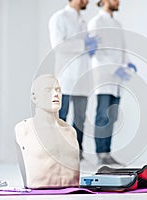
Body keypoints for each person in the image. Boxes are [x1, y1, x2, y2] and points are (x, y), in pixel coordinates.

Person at [88, 0, 136, 165]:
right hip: (103, 74)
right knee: (102, 115)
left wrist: (127, 63)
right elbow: (97, 51)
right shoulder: (96, 22)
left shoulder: (117, 23)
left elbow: (122, 48)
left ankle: (107, 152)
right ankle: (101, 153)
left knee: (112, 115)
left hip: (118, 76)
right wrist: (114, 67)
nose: (118, 2)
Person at [48, 0, 97, 160]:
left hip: (82, 77)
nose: (87, 1)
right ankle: (59, 152)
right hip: (66, 77)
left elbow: (86, 50)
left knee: (80, 119)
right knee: (61, 116)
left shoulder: (83, 21)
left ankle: (77, 153)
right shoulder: (59, 18)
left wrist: (91, 48)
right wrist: (84, 44)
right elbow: (58, 45)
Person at [15, 74, 80, 189]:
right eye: (48, 90)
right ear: (35, 98)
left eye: (58, 90)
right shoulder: (24, 129)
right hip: (40, 194)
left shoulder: (70, 131)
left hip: (73, 194)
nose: (55, 94)